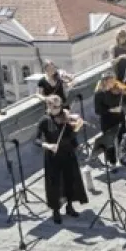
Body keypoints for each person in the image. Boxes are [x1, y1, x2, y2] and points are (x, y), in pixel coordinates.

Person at [36, 95, 89, 223]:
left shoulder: (66, 117)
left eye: (59, 106)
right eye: (54, 107)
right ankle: (56, 210)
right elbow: (36, 139)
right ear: (48, 106)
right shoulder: (44, 120)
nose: (58, 109)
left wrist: (76, 129)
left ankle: (69, 206)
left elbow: (70, 134)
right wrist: (47, 145)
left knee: (70, 179)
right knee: (55, 183)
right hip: (53, 156)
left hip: (68, 152)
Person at [93, 72, 126, 169]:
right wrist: (110, 110)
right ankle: (112, 163)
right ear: (105, 82)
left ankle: (124, 158)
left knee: (123, 138)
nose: (113, 82)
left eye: (114, 80)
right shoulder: (99, 94)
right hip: (107, 120)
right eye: (111, 81)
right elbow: (97, 110)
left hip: (120, 117)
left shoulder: (118, 89)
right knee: (110, 142)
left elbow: (123, 101)